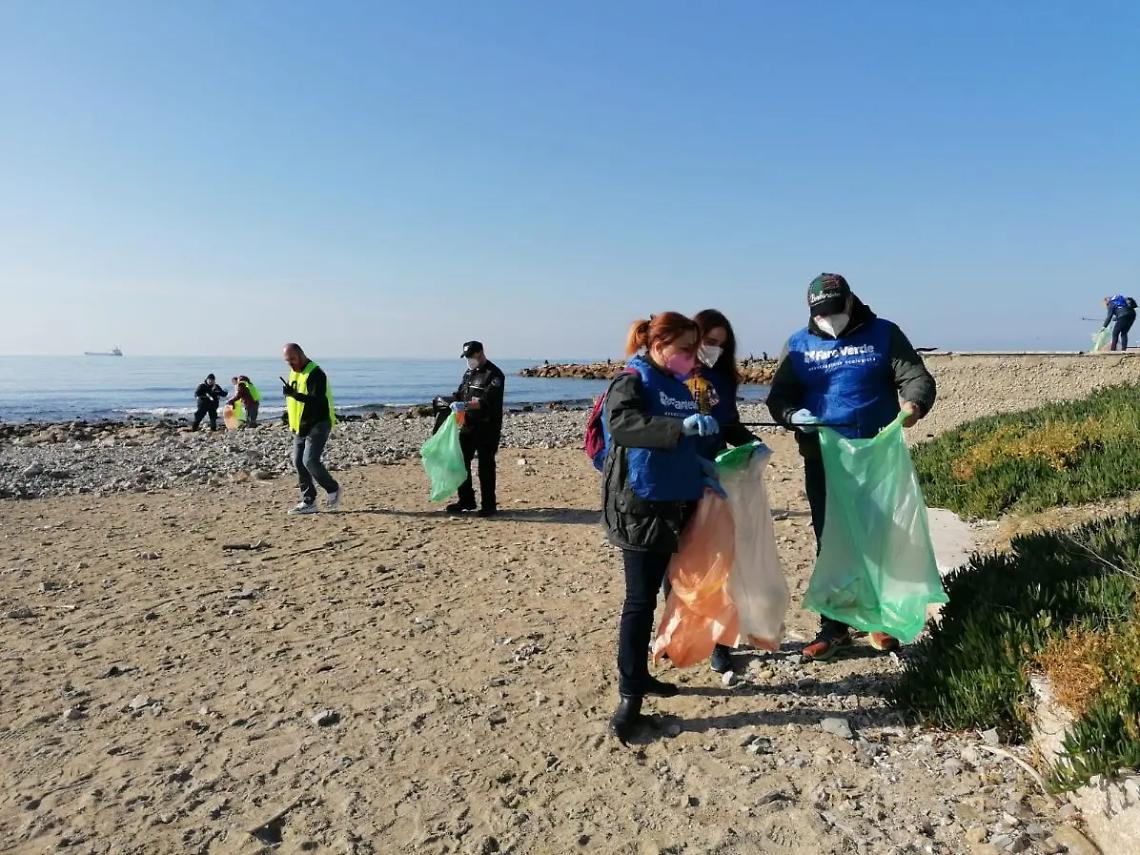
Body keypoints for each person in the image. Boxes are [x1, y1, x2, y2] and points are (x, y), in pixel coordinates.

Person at [766, 274, 936, 661]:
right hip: (824, 459)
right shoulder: (798, 344)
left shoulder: (884, 333)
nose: (828, 318)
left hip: (876, 458)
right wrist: (793, 415)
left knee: (878, 536)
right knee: (832, 541)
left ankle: (878, 617)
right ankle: (834, 625)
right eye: (819, 313)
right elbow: (779, 397)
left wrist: (914, 405)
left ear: (850, 301)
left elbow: (916, 377)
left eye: (833, 310)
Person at [602, 313, 722, 740]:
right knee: (639, 601)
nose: (692, 357)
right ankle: (630, 696)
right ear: (658, 345)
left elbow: (688, 441)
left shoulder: (680, 385)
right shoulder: (631, 380)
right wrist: (678, 427)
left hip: (678, 503)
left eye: (696, 350)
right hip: (640, 505)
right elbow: (622, 425)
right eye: (685, 350)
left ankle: (654, 668)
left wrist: (703, 465)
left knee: (675, 590)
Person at [689, 308, 761, 675]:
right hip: (680, 477)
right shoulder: (677, 372)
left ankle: (719, 642)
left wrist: (752, 443)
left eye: (720, 344)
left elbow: (729, 423)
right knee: (682, 566)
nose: (713, 349)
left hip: (716, 479)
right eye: (708, 341)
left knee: (718, 565)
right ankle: (684, 632)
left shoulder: (725, 379)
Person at [445, 341, 505, 518]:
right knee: (460, 462)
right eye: (467, 357)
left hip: (487, 427)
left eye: (471, 356)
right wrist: (448, 401)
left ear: (480, 353)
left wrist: (464, 405)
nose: (469, 360)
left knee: (485, 466)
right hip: (468, 425)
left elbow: (485, 401)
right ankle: (466, 500)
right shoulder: (469, 374)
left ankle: (489, 505)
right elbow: (461, 393)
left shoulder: (494, 375)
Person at [282, 343, 341, 515]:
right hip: (300, 425)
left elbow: (317, 401)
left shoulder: (316, 373)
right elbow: (296, 399)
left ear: (301, 355)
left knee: (310, 461)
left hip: (318, 423)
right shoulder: (295, 371)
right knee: (298, 462)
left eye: (292, 359)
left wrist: (295, 395)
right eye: (287, 361)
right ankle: (309, 502)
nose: (291, 364)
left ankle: (333, 488)